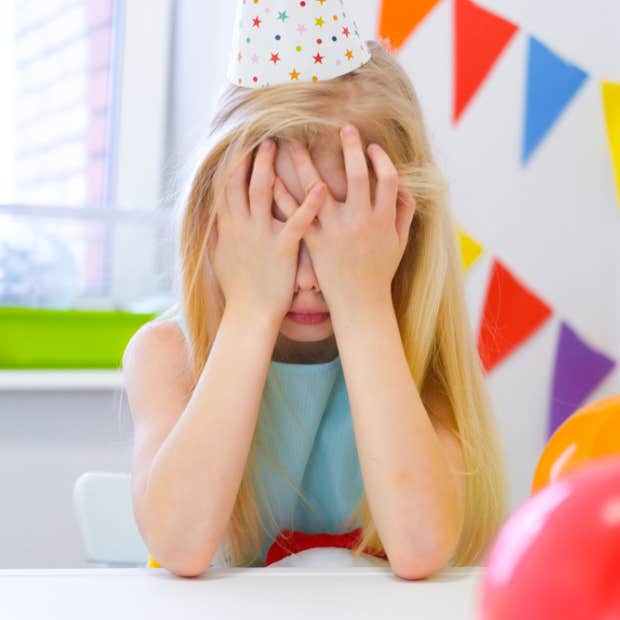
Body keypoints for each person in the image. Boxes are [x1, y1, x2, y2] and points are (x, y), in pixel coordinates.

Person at [121, 1, 510, 579]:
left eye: (339, 235)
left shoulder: (420, 364)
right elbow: (180, 545)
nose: (306, 276)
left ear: (405, 233)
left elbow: (422, 548)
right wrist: (253, 307)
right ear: (216, 224)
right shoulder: (168, 359)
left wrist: (364, 304)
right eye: (278, 225)